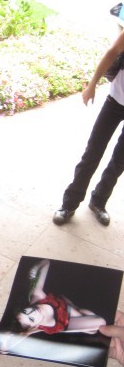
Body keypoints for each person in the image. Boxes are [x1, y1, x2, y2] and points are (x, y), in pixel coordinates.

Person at [53, 29, 124, 227]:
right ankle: (69, 205)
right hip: (115, 102)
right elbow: (111, 53)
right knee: (92, 153)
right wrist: (92, 84)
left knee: (120, 161)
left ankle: (98, 201)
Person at [1, 259, 106, 352]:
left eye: (25, 311)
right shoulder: (38, 326)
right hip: (65, 324)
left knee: (85, 316)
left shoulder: (37, 297)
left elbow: (47, 262)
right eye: (31, 319)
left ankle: (76, 311)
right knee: (94, 330)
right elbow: (25, 334)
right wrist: (6, 346)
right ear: (34, 325)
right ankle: (84, 325)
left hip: (67, 306)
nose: (34, 312)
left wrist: (36, 268)